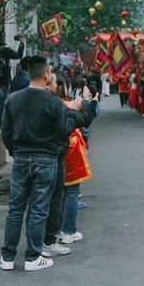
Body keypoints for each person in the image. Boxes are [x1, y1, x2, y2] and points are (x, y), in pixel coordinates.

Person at [0, 56, 90, 272]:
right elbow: (63, 130)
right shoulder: (53, 102)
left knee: (15, 209)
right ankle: (32, 256)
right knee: (39, 208)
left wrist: (16, 151)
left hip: (21, 159)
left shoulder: (13, 99)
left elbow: (7, 133)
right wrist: (74, 111)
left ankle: (7, 256)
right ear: (46, 75)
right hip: (46, 160)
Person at [41, 73, 96, 258]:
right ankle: (67, 230)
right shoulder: (66, 105)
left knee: (56, 195)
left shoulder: (48, 104)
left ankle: (53, 232)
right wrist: (88, 102)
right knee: (71, 191)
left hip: (51, 150)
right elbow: (84, 119)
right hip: (68, 148)